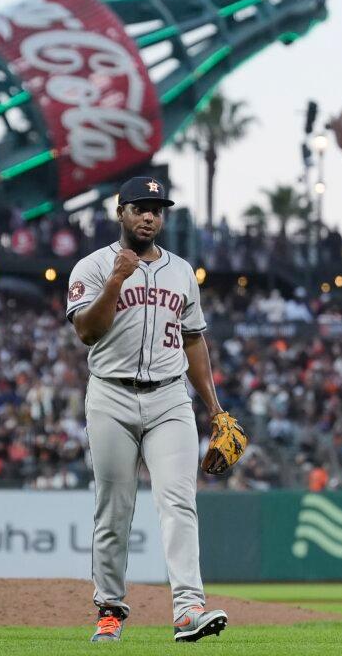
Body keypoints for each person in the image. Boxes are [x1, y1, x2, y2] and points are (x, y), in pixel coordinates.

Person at [67, 176, 234, 643]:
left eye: (156, 210)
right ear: (120, 212)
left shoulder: (181, 271)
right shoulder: (93, 266)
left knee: (179, 501)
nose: (149, 216)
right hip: (111, 395)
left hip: (169, 397)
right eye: (140, 207)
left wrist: (215, 408)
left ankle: (188, 608)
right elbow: (87, 331)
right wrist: (117, 280)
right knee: (114, 508)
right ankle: (109, 609)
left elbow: (193, 339)